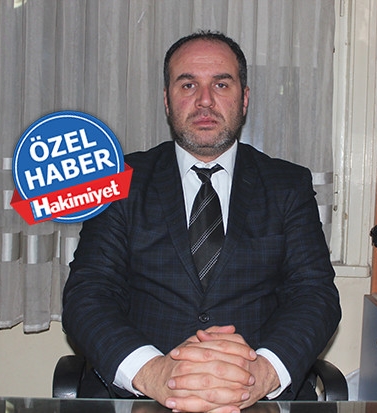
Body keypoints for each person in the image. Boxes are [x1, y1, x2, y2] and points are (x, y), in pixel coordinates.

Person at [62, 30, 340, 413]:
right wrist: (155, 372)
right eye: (188, 84)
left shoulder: (287, 185)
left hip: (254, 398)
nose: (205, 100)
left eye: (221, 84)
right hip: (142, 397)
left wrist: (260, 373)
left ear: (244, 99)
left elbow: (315, 295)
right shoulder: (117, 181)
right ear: (167, 100)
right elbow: (88, 294)